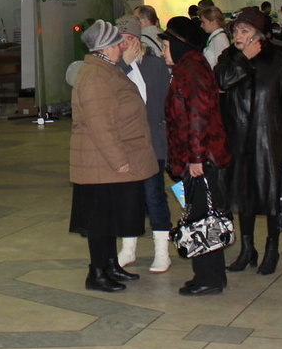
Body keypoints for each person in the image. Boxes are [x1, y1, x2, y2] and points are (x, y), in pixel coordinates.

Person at [68, 21, 158, 293]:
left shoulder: (105, 69)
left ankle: (110, 265)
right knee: (98, 221)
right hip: (100, 162)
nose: (122, 46)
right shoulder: (96, 76)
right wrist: (118, 160)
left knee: (109, 218)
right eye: (118, 43)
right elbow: (100, 124)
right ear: (106, 47)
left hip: (104, 162)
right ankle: (97, 273)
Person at [214, 7, 282, 276]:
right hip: (238, 138)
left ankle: (272, 248)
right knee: (244, 196)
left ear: (259, 35)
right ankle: (247, 248)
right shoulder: (229, 57)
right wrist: (243, 58)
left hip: (269, 138)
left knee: (271, 194)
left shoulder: (277, 59)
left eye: (245, 31)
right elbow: (221, 81)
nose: (238, 35)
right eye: (236, 30)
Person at [161, 20, 230, 296]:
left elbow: (198, 116)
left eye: (166, 46)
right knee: (202, 214)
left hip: (199, 159)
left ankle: (208, 277)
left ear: (180, 45)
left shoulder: (191, 71)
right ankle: (211, 274)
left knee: (202, 217)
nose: (163, 51)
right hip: (193, 156)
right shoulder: (187, 67)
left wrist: (197, 158)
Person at [114, 15, 174, 273]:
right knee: (128, 198)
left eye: (129, 38)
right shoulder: (113, 67)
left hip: (152, 143)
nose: (125, 44)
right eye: (120, 39)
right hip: (125, 145)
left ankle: (162, 252)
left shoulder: (154, 65)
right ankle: (128, 249)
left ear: (138, 40)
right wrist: (124, 66)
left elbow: (157, 104)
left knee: (154, 196)